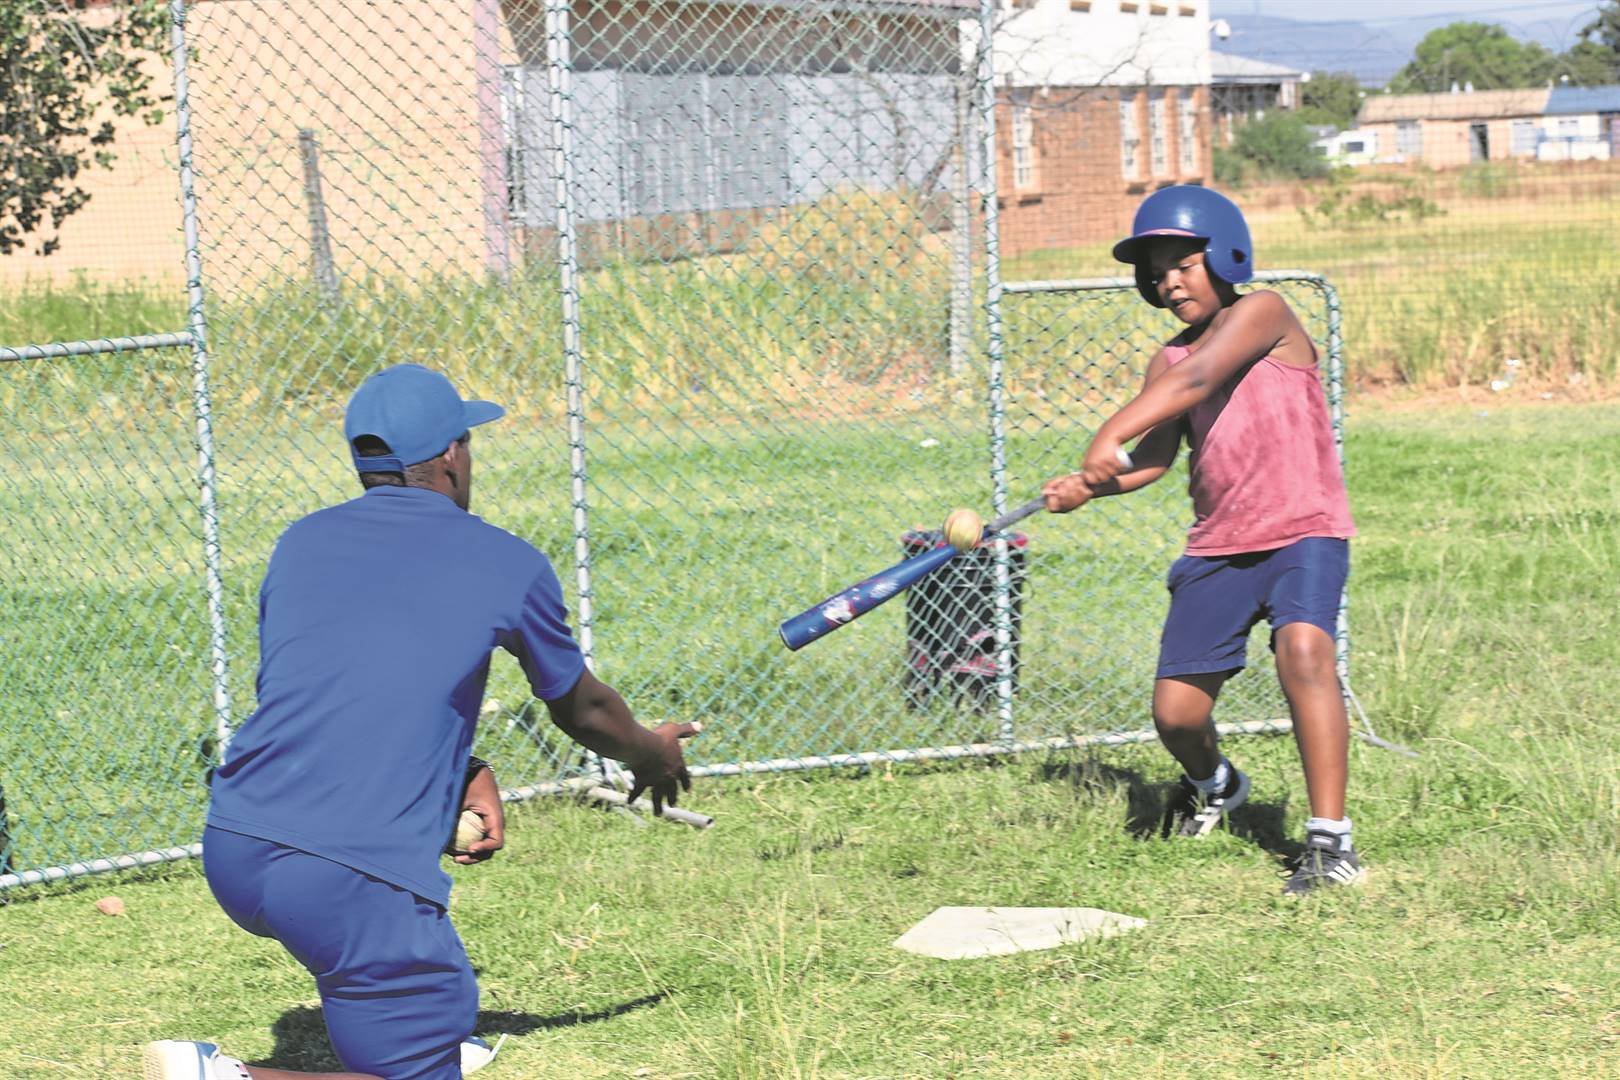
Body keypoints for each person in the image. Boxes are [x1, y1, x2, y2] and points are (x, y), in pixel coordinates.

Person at [147, 364, 700, 1079]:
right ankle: (221, 1077)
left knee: (425, 1038)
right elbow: (584, 709)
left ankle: (416, 1040)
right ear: (449, 456)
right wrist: (650, 753)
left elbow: (330, 695)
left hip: (239, 839)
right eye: (468, 441)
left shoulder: (301, 543)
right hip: (343, 872)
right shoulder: (507, 561)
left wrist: (463, 772)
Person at [1041, 185, 1362, 897]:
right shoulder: (1166, 360)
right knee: (1177, 714)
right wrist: (1088, 485)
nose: (1169, 281)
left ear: (1223, 254)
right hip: (1219, 546)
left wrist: (1105, 433)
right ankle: (1215, 784)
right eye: (1156, 272)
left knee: (1304, 652)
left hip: (1302, 530)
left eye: (1181, 262)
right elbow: (1155, 458)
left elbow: (1203, 376)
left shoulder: (1265, 313)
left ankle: (1330, 842)